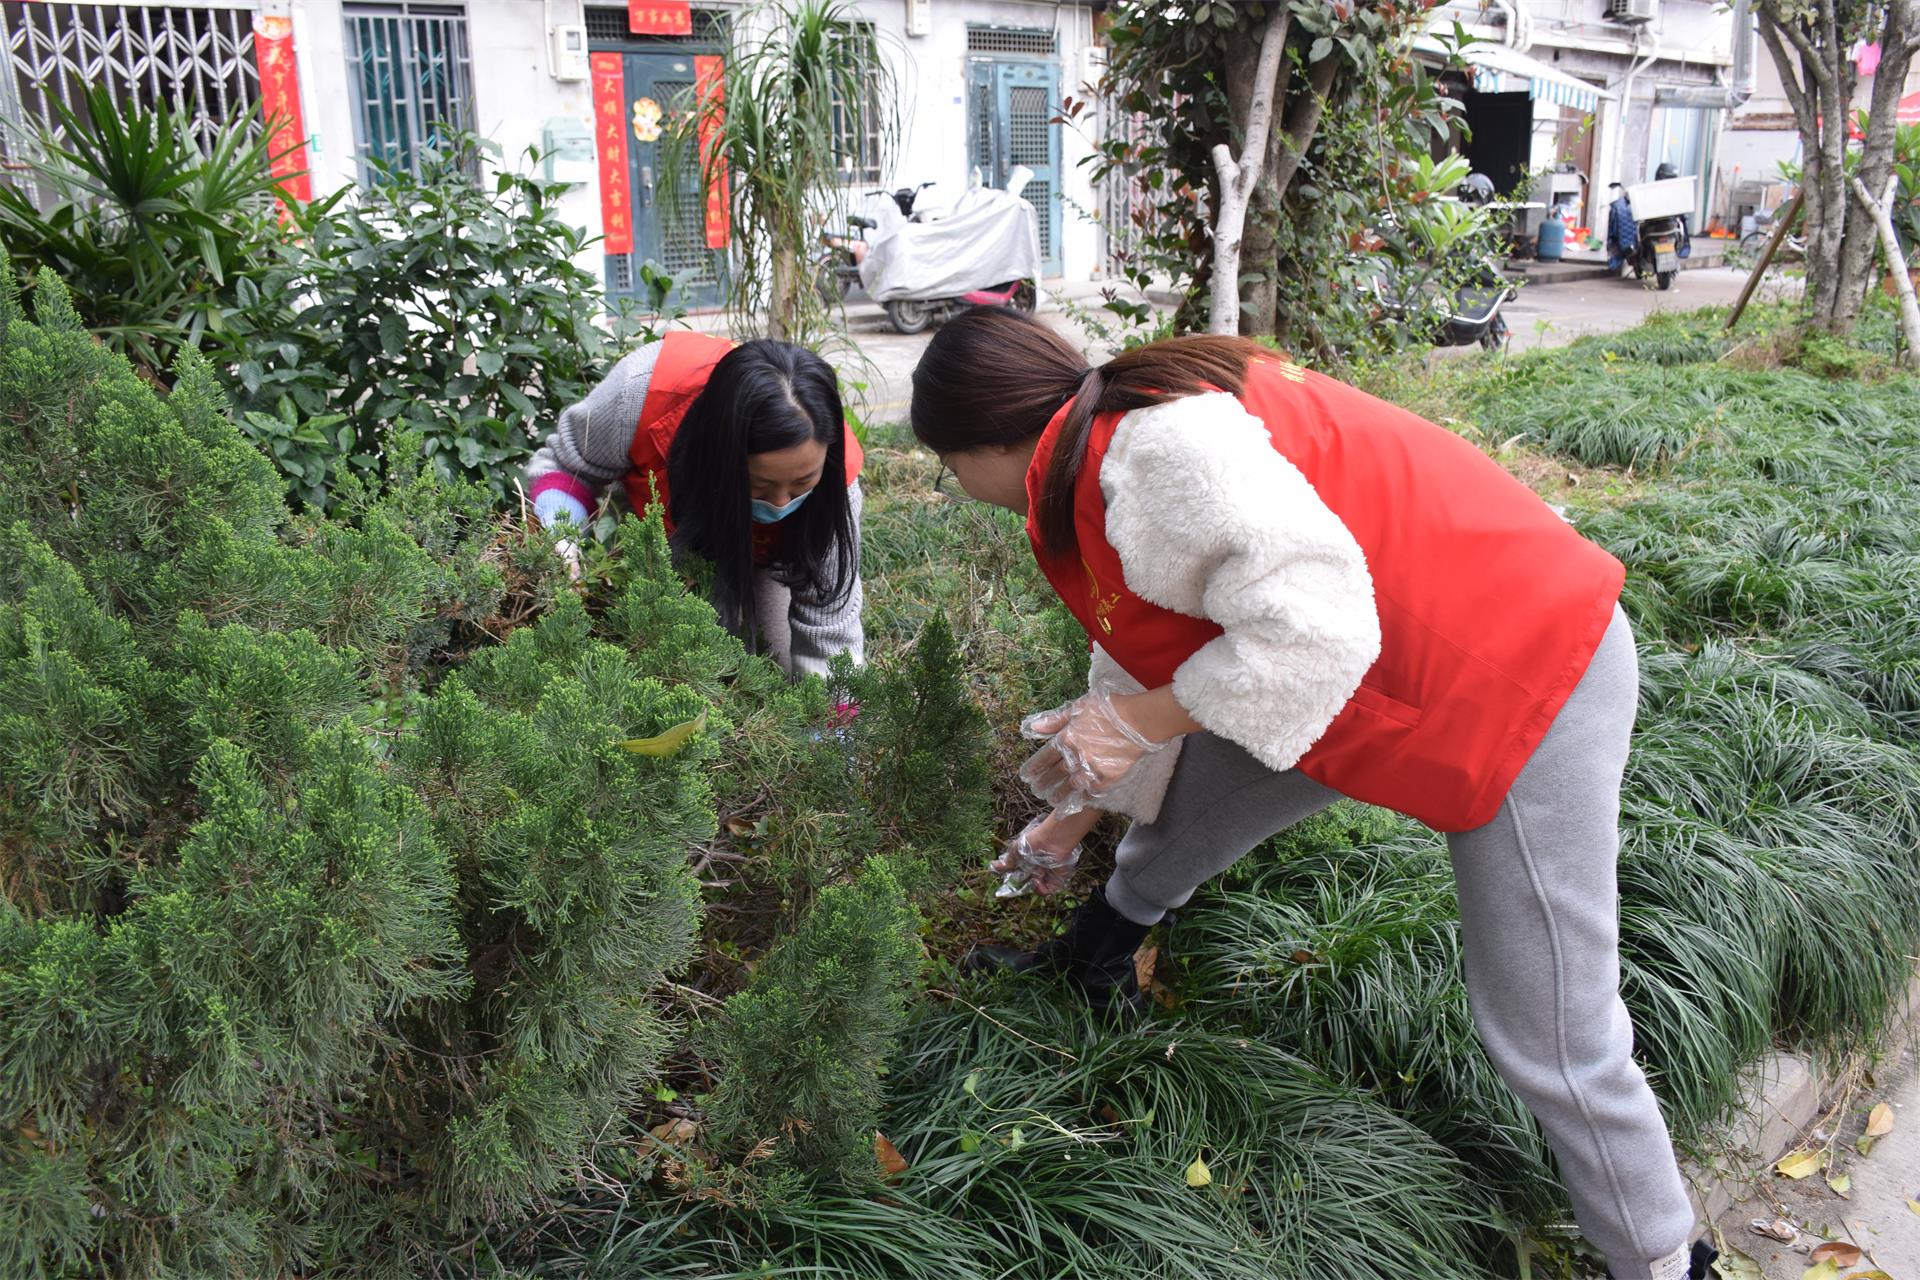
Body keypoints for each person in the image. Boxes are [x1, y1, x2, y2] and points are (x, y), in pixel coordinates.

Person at [908, 307, 1717, 1280]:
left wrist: (1146, 724)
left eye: (949, 467)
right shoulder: (1108, 435)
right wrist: (1083, 795)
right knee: (1219, 758)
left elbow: (1309, 640)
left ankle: (1662, 1255)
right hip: (1386, 659)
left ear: (989, 437)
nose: (957, 491)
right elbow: (1150, 647)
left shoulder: (1154, 455)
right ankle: (1102, 945)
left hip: (1524, 668)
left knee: (1548, 1027)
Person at [527, 332, 864, 677]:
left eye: (801, 485)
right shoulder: (639, 392)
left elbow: (830, 623)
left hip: (769, 555)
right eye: (760, 486)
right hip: (666, 539)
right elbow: (567, 466)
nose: (780, 503)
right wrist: (562, 536)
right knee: (686, 667)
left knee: (775, 667)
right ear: (716, 454)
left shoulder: (837, 479)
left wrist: (836, 721)